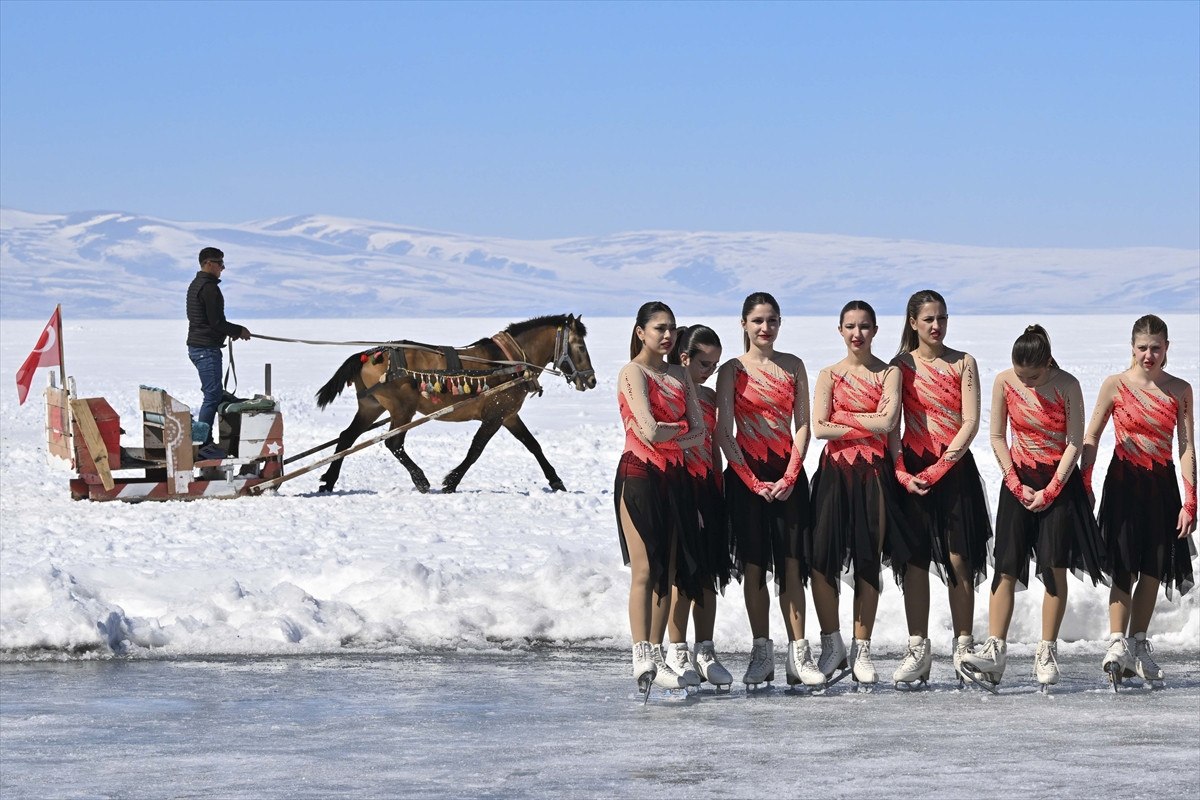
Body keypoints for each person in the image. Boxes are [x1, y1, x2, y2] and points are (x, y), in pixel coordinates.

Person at [963, 325, 1106, 689]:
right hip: (1018, 479)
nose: (1025, 382)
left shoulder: (1067, 385)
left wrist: (1051, 490)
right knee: (1006, 566)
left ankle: (1046, 650)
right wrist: (1014, 482)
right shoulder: (1004, 382)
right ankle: (995, 650)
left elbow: (1075, 442)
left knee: (1053, 565)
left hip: (1058, 482)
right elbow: (997, 435)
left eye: (1033, 376)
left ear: (1047, 363)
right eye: (1021, 375)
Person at [716, 292, 823, 690]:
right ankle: (761, 653)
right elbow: (724, 432)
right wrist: (751, 481)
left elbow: (803, 424)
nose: (765, 328)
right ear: (743, 323)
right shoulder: (731, 370)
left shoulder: (793, 365)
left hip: (787, 477)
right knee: (755, 567)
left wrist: (790, 476)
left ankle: (799, 654)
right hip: (746, 479)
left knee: (793, 565)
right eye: (758, 320)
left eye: (772, 320)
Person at [1082, 314, 1196, 685]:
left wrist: (1190, 500)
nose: (1149, 355)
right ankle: (1117, 642)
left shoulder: (1179, 390)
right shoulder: (1115, 385)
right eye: (1143, 348)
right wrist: (1085, 481)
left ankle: (1138, 643)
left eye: (1156, 348)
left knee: (1153, 567)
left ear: (1167, 348)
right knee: (1123, 564)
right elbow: (1092, 436)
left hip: (1162, 487)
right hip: (1123, 484)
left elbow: (1185, 446)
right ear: (1132, 347)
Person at [888, 290, 992, 687]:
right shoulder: (900, 366)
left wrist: (939, 469)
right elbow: (891, 424)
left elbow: (970, 422)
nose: (936, 325)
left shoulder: (963, 363)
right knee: (914, 560)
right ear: (913, 322)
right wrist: (901, 471)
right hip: (913, 471)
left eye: (942, 318)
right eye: (929, 319)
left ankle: (964, 646)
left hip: (953, 471)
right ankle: (918, 649)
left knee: (959, 557)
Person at [809, 300, 906, 687]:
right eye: (850, 326)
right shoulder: (829, 375)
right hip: (834, 475)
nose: (857, 333)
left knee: (868, 559)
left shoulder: (889, 373)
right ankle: (832, 644)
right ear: (840, 330)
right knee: (821, 559)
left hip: (874, 475)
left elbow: (888, 422)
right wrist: (868, 422)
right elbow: (819, 427)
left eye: (864, 326)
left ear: (875, 330)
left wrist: (842, 418)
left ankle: (861, 648)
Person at [616, 301, 706, 693]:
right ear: (641, 332)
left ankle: (656, 654)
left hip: (676, 478)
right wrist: (678, 429)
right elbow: (650, 431)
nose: (667, 335)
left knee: (668, 573)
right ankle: (640, 653)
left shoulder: (680, 375)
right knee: (645, 570)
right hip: (639, 475)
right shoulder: (632, 372)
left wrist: (673, 431)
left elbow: (700, 432)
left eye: (671, 328)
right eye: (659, 328)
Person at [664, 324, 734, 689]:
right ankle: (677, 651)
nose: (709, 371)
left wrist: (719, 489)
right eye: (704, 364)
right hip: (678, 487)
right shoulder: (669, 391)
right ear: (684, 357)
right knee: (684, 574)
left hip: (708, 485)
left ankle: (705, 652)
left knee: (708, 573)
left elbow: (716, 444)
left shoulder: (709, 397)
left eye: (715, 365)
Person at [187, 247, 251, 459]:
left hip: (199, 347)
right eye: (220, 263)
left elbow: (209, 322)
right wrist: (238, 331)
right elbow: (216, 322)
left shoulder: (197, 284)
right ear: (208, 263)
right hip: (205, 349)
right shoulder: (209, 288)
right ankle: (203, 444)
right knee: (212, 396)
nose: (223, 267)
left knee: (213, 394)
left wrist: (231, 332)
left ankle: (204, 442)